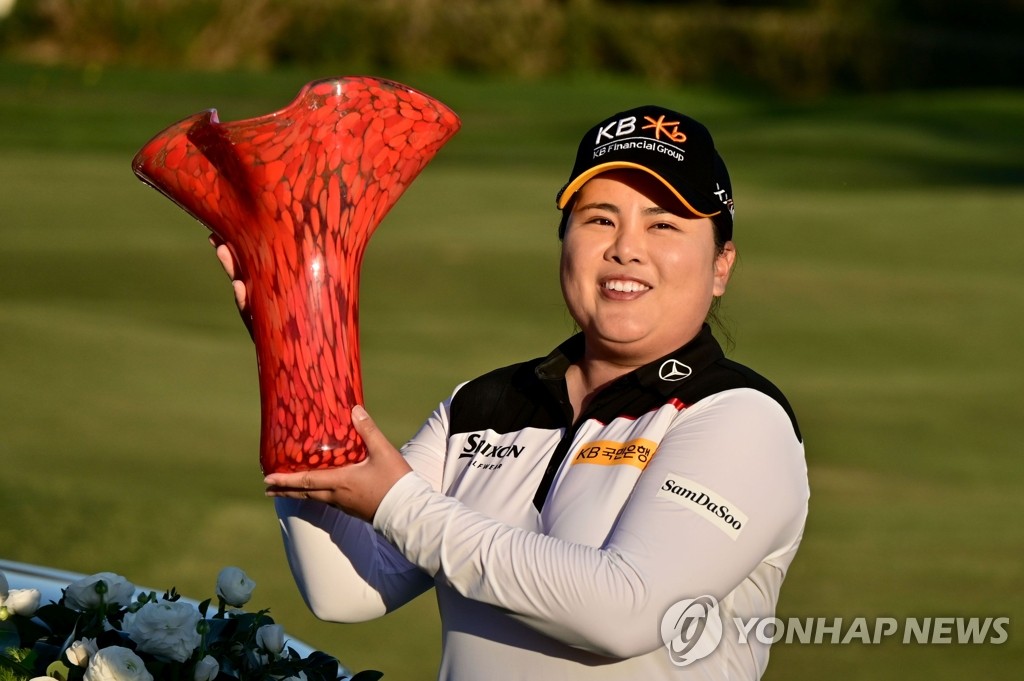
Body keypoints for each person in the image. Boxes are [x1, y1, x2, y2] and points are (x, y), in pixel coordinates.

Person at [214, 105, 809, 679]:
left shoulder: (742, 418)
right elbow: (348, 588)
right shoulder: (482, 405)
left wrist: (400, 506)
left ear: (721, 264)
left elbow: (629, 609)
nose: (626, 247)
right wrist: (293, 348)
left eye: (663, 224)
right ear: (564, 241)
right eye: (600, 219)